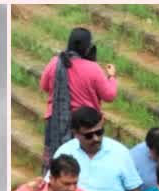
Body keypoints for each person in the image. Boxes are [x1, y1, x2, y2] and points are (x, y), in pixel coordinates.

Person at [40, 28, 117, 170]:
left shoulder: (55, 63)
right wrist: (111, 76)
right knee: (83, 163)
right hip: (86, 125)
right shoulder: (93, 68)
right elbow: (109, 95)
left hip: (55, 122)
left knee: (56, 161)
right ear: (88, 47)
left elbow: (44, 86)